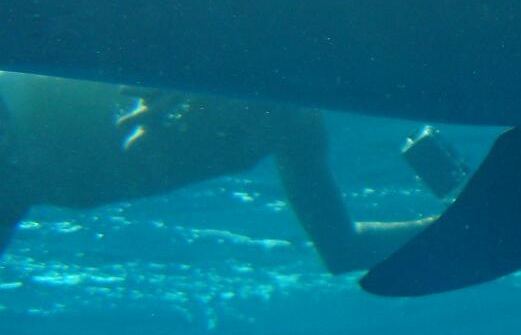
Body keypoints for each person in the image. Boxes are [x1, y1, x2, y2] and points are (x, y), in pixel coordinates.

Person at [0, 71, 434, 273]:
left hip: (25, 185)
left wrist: (457, 221)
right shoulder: (197, 43)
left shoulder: (299, 125)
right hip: (19, 130)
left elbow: (342, 250)